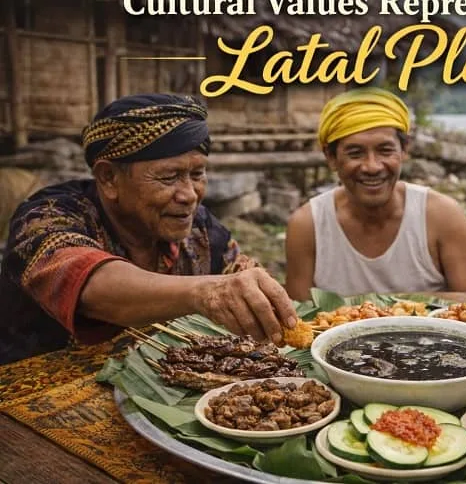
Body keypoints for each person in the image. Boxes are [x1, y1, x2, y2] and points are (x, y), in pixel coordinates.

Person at [0, 94, 297, 364]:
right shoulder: (45, 218)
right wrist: (205, 293)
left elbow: (239, 278)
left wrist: (257, 296)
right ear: (109, 178)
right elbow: (88, 284)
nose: (189, 194)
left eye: (197, 174)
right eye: (169, 177)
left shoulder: (201, 229)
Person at [285, 87, 466, 301]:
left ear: (404, 150)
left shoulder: (440, 215)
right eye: (355, 153)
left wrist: (385, 306)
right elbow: (298, 314)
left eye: (385, 150)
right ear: (331, 157)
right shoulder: (308, 225)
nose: (372, 166)